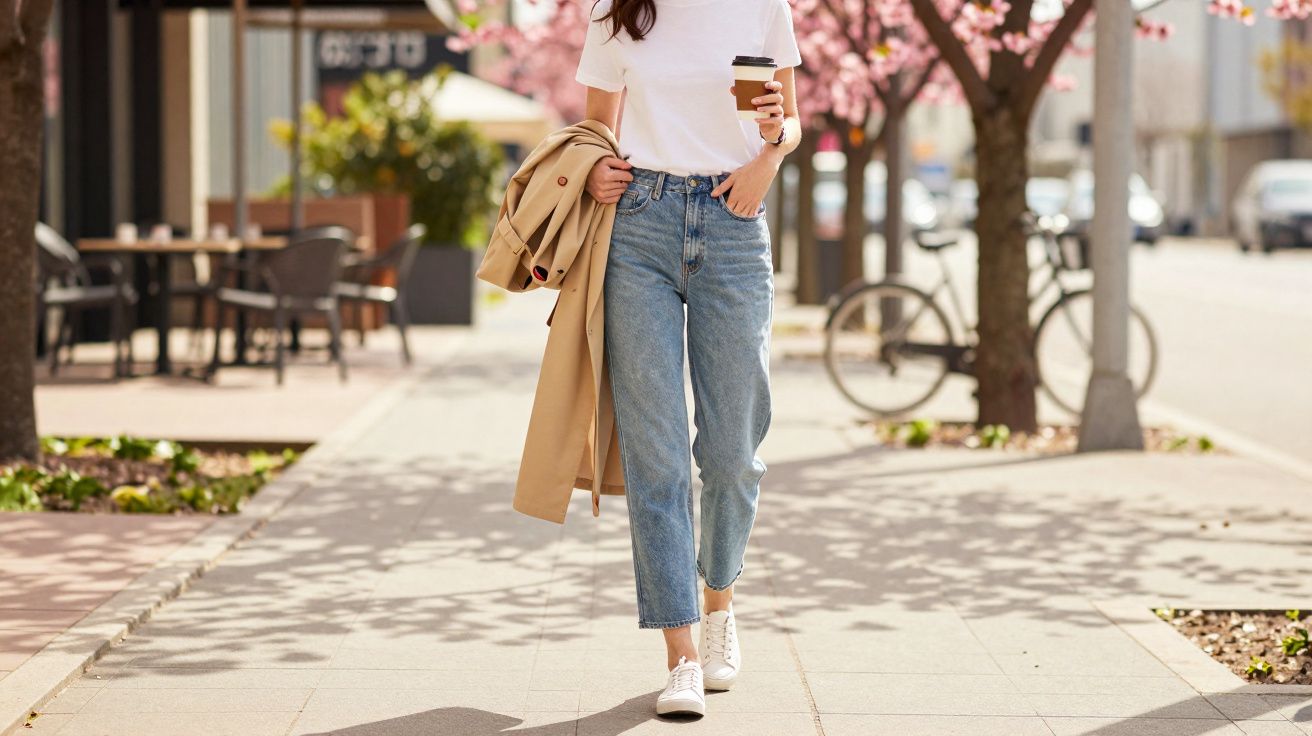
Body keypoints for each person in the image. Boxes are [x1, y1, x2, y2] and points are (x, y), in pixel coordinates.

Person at [573, 0, 802, 717]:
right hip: (638, 225)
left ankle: (719, 604)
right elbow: (595, 128)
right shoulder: (615, 12)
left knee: (732, 452)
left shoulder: (763, 5)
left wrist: (770, 154)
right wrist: (594, 171)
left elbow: (791, 118)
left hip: (735, 218)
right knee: (657, 453)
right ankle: (681, 656)